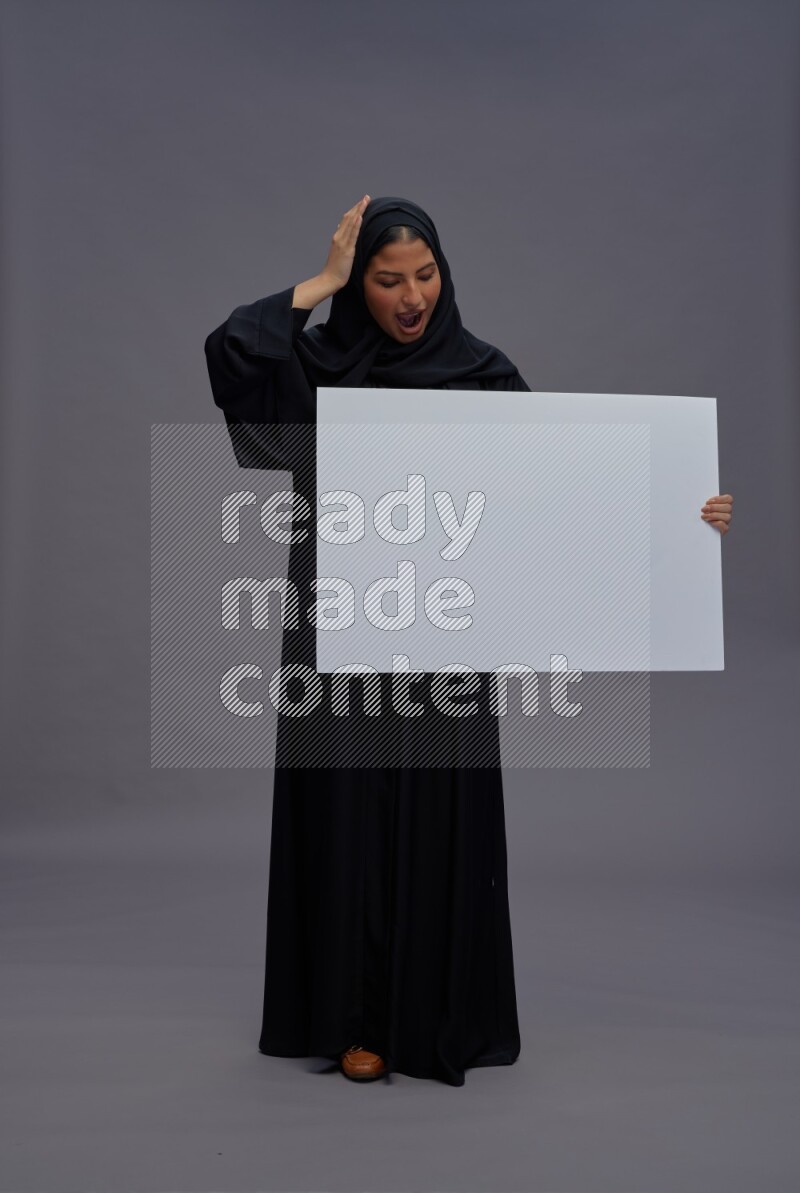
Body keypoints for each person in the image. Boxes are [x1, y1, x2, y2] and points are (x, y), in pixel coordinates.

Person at [204, 194, 735, 1086]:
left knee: (434, 808)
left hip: (446, 638)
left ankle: (431, 1011)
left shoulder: (484, 377)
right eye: (383, 280)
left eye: (424, 275)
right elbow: (233, 353)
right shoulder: (321, 368)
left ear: (444, 274)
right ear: (358, 285)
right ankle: (352, 1018)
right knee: (345, 812)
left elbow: (566, 502)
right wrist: (320, 281)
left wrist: (685, 518)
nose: (410, 296)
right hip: (337, 625)